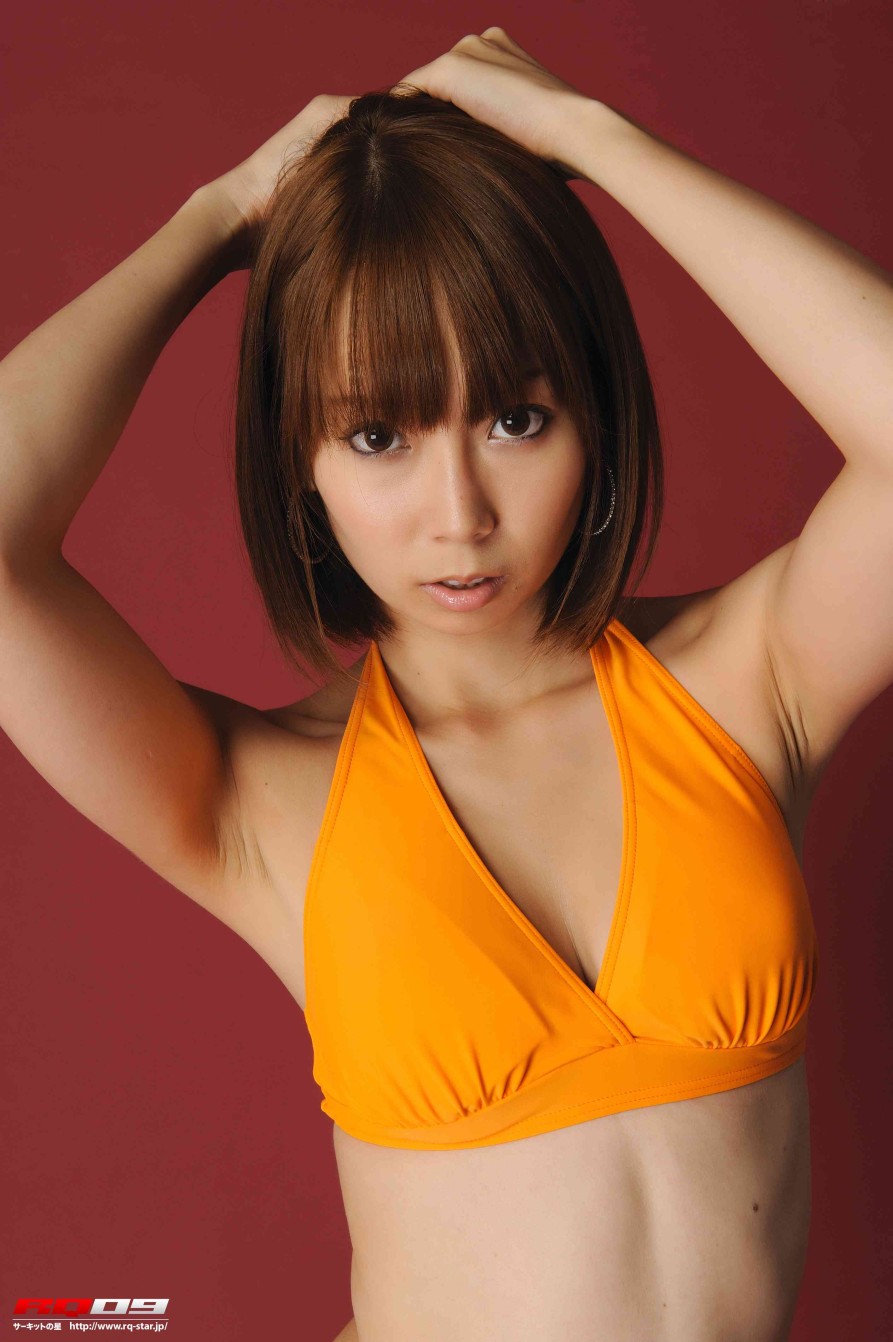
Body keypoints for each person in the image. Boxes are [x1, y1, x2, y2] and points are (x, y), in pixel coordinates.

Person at [1, 24, 890, 1342]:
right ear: (299, 462)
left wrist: (592, 140)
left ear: (593, 415)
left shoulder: (750, 681)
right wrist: (221, 216)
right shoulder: (257, 797)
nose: (459, 513)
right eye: (378, 435)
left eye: (516, 419)